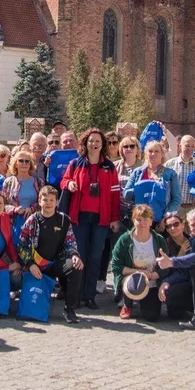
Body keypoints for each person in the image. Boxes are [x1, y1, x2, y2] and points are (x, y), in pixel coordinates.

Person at [62, 128, 121, 309]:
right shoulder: (75, 164)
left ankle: (89, 296)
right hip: (79, 218)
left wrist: (114, 218)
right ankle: (77, 295)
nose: (94, 144)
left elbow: (115, 195)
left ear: (102, 145)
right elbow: (63, 181)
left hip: (100, 219)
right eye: (91, 141)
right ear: (85, 143)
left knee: (95, 257)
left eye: (98, 141)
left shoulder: (109, 167)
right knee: (80, 256)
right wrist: (69, 183)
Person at [17, 186, 85, 324]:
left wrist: (74, 255)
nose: (48, 203)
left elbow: (70, 241)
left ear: (56, 202)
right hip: (36, 266)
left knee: (76, 266)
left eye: (51, 200)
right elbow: (21, 245)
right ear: (39, 201)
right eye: (45, 200)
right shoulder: (32, 220)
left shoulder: (63, 220)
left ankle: (69, 308)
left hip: (55, 263)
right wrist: (30, 264)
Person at [110, 204, 167, 320]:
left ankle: (145, 301)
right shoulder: (125, 239)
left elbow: (167, 264)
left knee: (152, 316)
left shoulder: (159, 239)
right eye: (139, 219)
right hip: (130, 278)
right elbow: (115, 265)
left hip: (152, 279)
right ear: (133, 221)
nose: (142, 223)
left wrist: (156, 274)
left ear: (151, 221)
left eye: (145, 220)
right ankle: (127, 304)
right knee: (131, 281)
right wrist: (138, 272)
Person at [124, 140, 180, 221]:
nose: (153, 154)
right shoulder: (137, 172)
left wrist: (165, 219)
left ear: (162, 154)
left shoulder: (170, 174)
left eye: (156, 151)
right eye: (150, 151)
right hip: (140, 219)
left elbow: (176, 200)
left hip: (161, 220)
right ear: (146, 154)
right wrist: (141, 188)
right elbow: (126, 194)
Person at [165, 135, 195, 216]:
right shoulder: (169, 164)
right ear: (180, 146)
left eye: (192, 146)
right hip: (175, 208)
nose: (190, 149)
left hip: (193, 208)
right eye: (187, 146)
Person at [2, 150, 40, 220]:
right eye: (21, 161)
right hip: (13, 222)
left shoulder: (39, 182)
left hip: (34, 221)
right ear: (16, 164)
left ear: (30, 164)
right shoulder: (8, 182)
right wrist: (14, 209)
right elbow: (3, 204)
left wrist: (32, 208)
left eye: (27, 161)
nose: (24, 163)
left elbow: (43, 202)